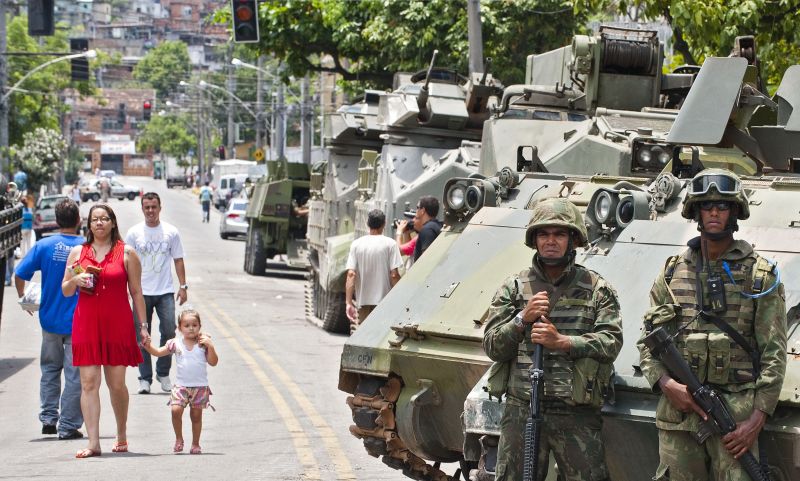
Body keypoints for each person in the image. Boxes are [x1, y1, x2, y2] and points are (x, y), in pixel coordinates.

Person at [637, 168, 787, 481]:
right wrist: (666, 384)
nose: (714, 212)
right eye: (707, 206)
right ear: (696, 212)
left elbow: (774, 353)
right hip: (679, 417)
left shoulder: (759, 275)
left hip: (735, 419)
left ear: (735, 211)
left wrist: (757, 419)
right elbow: (648, 341)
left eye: (722, 206)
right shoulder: (672, 272)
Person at [483, 197, 622, 481]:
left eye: (559, 234)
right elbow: (493, 345)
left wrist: (564, 343)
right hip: (522, 408)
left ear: (573, 240)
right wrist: (521, 319)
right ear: (534, 240)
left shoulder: (596, 289)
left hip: (576, 413)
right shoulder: (514, 287)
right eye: (544, 234)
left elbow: (611, 342)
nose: (551, 241)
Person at [62, 203, 149, 458]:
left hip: (117, 325)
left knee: (116, 384)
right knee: (88, 383)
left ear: (113, 223)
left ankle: (121, 433)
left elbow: (136, 293)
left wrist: (142, 327)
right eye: (94, 219)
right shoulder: (78, 252)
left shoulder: (127, 253)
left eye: (104, 219)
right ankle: (93, 443)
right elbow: (65, 290)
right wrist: (75, 280)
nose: (99, 223)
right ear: (88, 225)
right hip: (86, 325)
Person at [15, 198, 85, 440]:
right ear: (79, 221)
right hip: (78, 322)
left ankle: (48, 418)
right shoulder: (86, 247)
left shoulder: (44, 246)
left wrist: (24, 298)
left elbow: (20, 273)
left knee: (50, 370)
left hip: (49, 321)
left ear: (56, 221)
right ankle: (68, 424)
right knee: (74, 374)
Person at [125, 192, 188, 394]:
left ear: (160, 208)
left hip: (165, 292)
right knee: (142, 335)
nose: (150, 211)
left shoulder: (171, 232)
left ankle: (163, 372)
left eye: (154, 207)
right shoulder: (134, 233)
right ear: (142, 209)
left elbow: (178, 259)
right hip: (140, 293)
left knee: (169, 331)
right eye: (147, 207)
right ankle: (145, 378)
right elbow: (125, 262)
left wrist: (183, 286)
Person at [143, 309, 218, 455]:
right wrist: (148, 346)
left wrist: (211, 346)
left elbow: (213, 362)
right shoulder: (175, 343)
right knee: (175, 410)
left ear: (199, 326)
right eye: (187, 325)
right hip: (181, 387)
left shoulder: (203, 344)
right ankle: (179, 438)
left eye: (194, 325)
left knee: (196, 416)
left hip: (200, 387)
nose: (191, 328)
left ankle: (195, 444)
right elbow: (158, 352)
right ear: (179, 328)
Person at [345, 209, 402, 331]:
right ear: (383, 224)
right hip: (385, 303)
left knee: (365, 337)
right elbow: (394, 275)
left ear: (368, 223)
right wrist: (402, 297)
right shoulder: (390, 244)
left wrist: (348, 302)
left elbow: (351, 274)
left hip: (364, 302)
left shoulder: (356, 244)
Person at [411, 196, 442, 261]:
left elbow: (426, 259)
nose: (416, 211)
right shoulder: (437, 226)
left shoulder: (427, 230)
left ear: (423, 210)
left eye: (417, 208)